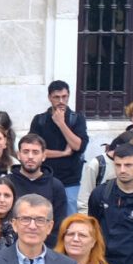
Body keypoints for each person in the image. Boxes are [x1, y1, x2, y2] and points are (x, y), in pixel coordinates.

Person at [27, 81, 89, 214]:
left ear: (68, 96)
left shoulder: (77, 119)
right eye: (57, 97)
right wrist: (62, 153)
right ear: (49, 97)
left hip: (70, 182)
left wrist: (61, 123)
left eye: (64, 96)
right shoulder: (39, 120)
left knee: (69, 221)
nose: (61, 101)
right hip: (44, 179)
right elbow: (33, 150)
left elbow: (78, 146)